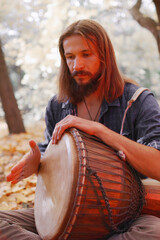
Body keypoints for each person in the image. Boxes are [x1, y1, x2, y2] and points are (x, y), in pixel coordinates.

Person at [0, 19, 160, 240]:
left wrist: (99, 130)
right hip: (64, 213)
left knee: (154, 232)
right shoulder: (57, 106)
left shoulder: (138, 100)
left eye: (86, 54)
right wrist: (38, 163)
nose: (77, 65)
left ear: (105, 56)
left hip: (123, 215)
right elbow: (51, 159)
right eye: (70, 57)